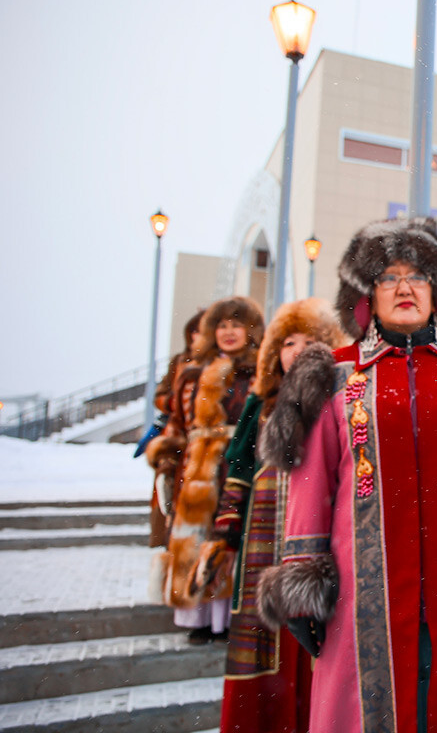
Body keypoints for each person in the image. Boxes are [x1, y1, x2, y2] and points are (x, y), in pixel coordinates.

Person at [258, 217, 437, 733]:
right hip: (360, 595)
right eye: (389, 277)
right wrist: (302, 575)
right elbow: (310, 486)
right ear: (366, 295)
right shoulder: (332, 376)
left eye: (418, 276)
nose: (405, 287)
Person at [192, 298, 349, 733]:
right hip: (261, 546)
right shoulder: (259, 404)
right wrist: (224, 535)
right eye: (288, 342)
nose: (297, 351)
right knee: (262, 646)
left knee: (319, 646)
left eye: (310, 341)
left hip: (321, 545)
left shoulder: (340, 401)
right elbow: (238, 472)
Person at [149, 296, 263, 644]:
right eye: (222, 325)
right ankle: (198, 617)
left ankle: (228, 619)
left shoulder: (260, 373)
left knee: (230, 539)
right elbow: (177, 424)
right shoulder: (192, 374)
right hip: (196, 469)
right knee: (193, 539)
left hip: (237, 464)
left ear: (250, 330)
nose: (229, 332)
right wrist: (167, 460)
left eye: (236, 325)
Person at [144, 307, 206, 548]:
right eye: (194, 332)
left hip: (202, 438)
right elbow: (161, 395)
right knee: (169, 490)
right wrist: (175, 402)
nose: (197, 337)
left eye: (202, 331)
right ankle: (167, 537)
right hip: (177, 433)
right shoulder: (180, 361)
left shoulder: (217, 363)